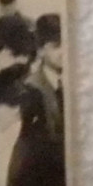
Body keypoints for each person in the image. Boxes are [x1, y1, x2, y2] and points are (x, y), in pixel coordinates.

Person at [28, 13, 65, 141]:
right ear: (41, 50)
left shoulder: (78, 80)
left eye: (67, 44)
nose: (63, 52)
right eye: (56, 46)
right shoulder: (32, 87)